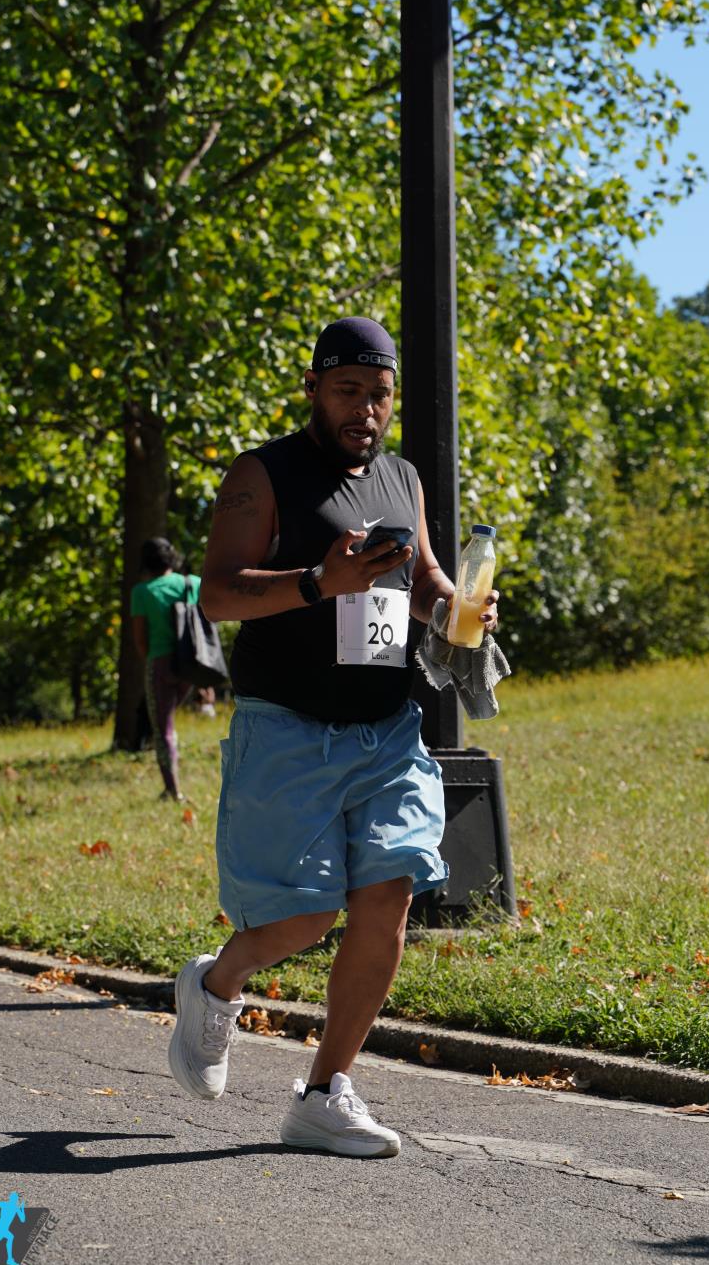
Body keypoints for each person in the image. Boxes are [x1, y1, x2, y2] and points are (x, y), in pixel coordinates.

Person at [168, 316, 499, 1158]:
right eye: (348, 390)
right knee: (306, 915)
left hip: (386, 730)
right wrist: (322, 580)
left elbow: (421, 577)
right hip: (288, 727)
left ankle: (323, 1092)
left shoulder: (400, 477)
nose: (366, 409)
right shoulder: (263, 473)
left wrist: (455, 608)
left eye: (380, 394)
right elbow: (217, 594)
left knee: (388, 896)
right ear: (313, 387)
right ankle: (216, 983)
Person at [129, 538, 195, 803]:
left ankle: (173, 789)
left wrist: (152, 660)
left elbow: (140, 639)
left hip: (160, 663)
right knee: (170, 721)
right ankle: (174, 786)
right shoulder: (192, 584)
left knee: (163, 727)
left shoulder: (142, 592)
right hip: (191, 663)